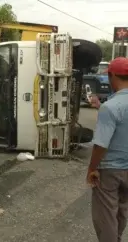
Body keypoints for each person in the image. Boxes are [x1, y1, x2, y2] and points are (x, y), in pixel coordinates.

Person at [87, 57, 128, 242]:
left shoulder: (111, 107)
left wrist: (92, 168)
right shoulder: (109, 106)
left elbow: (101, 144)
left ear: (112, 76)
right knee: (122, 209)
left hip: (110, 170)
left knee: (106, 216)